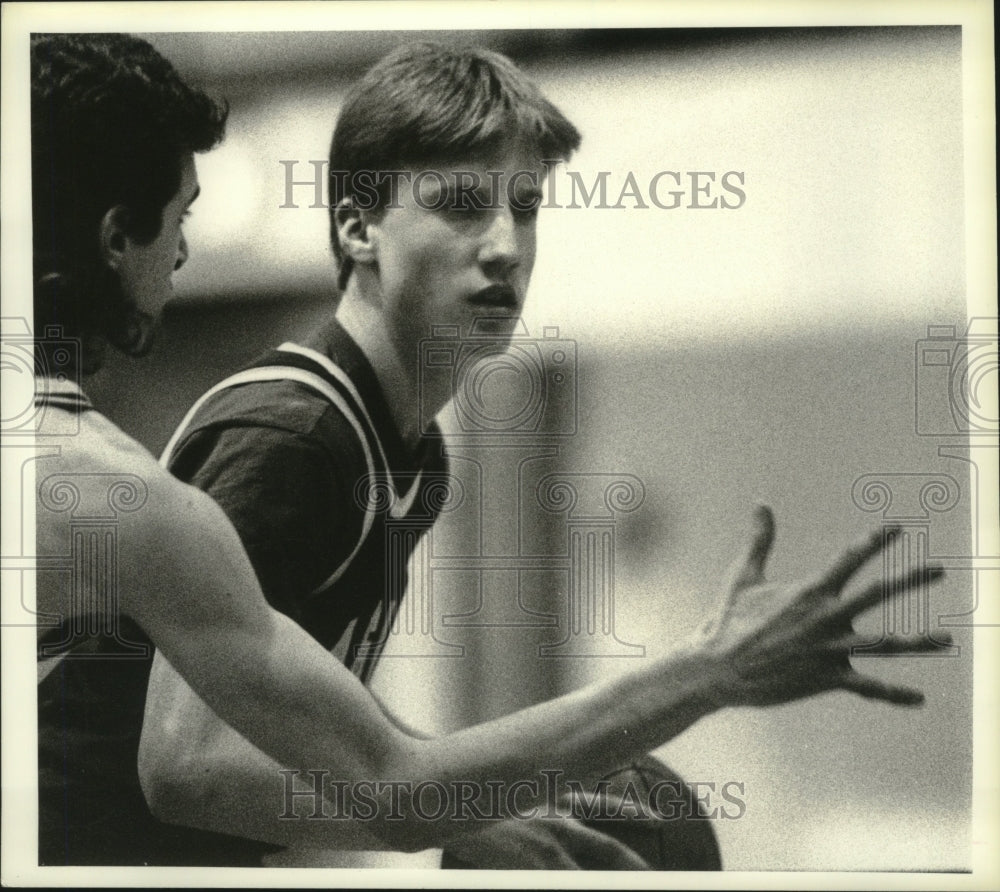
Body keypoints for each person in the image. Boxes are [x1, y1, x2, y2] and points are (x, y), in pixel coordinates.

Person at [135, 41, 948, 870]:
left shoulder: (409, 455)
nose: (505, 246)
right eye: (461, 205)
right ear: (358, 226)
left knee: (629, 828)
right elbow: (187, 769)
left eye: (524, 207)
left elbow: (349, 737)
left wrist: (474, 811)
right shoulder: (296, 439)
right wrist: (711, 668)